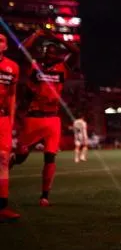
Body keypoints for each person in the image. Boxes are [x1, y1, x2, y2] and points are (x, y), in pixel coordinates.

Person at [12, 30, 79, 207]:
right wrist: (37, 34)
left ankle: (44, 196)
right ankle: (8, 167)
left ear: (57, 55)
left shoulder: (63, 67)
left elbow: (76, 51)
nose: (50, 55)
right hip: (33, 118)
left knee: (50, 158)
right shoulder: (34, 65)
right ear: (43, 53)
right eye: (48, 52)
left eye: (54, 52)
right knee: (20, 157)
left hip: (52, 119)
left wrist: (56, 37)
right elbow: (22, 49)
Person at [0, 33, 20, 221]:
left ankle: (2, 206)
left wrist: (11, 119)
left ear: (5, 46)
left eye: (1, 40)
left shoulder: (12, 67)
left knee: (3, 160)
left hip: (3, 119)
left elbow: (12, 94)